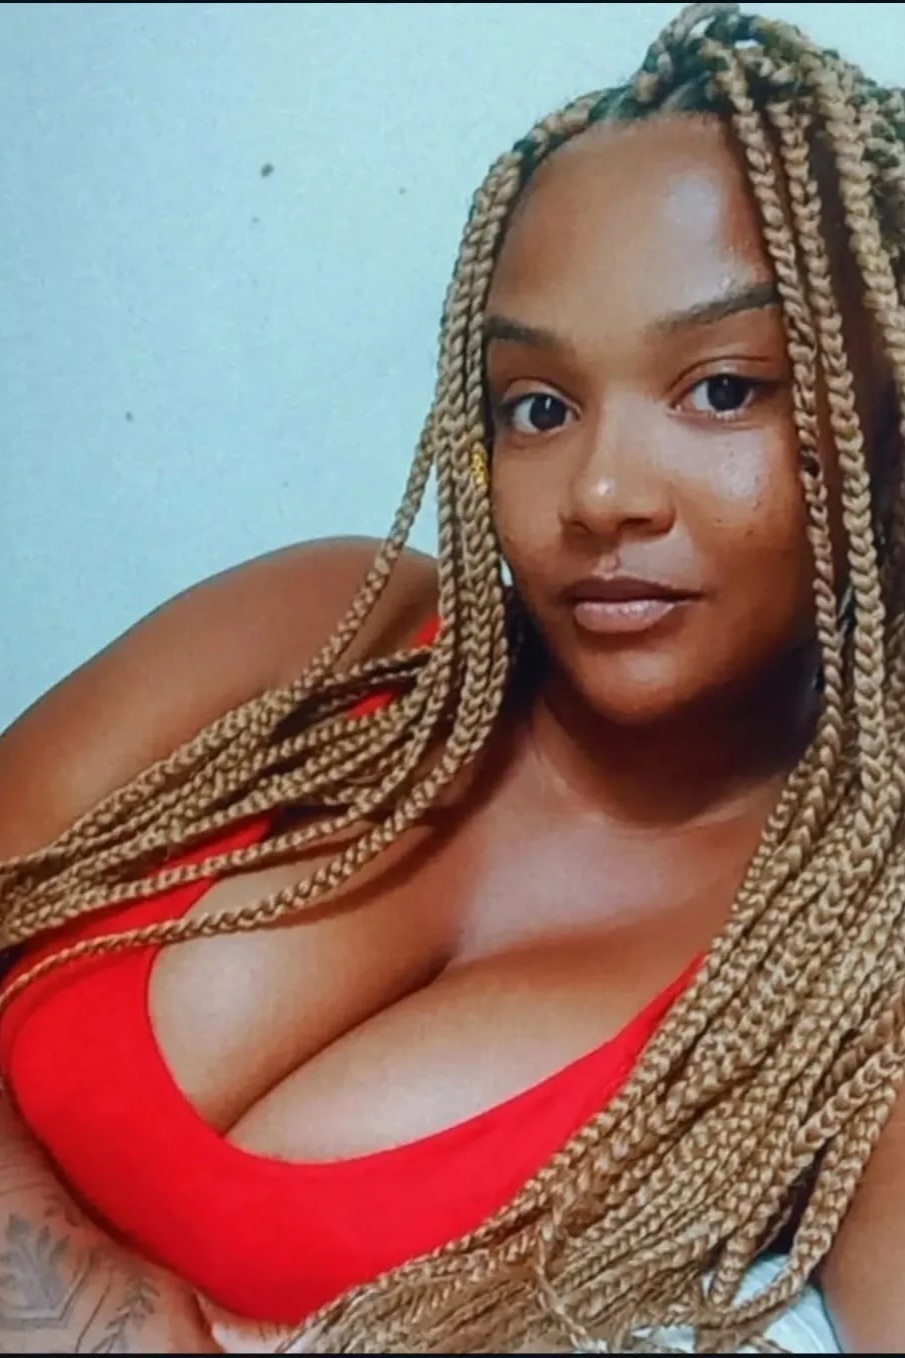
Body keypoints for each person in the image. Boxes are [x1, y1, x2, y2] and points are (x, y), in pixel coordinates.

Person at [1, 0, 904, 1351]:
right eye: (538, 405)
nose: (599, 492)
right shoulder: (329, 635)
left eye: (723, 389)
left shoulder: (851, 980)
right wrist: (96, 1315)